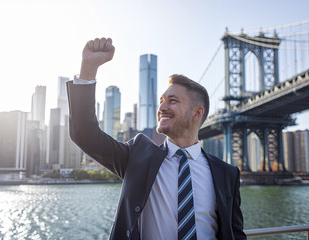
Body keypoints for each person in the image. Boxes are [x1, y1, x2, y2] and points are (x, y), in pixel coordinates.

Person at [67, 37, 246, 240]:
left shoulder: (227, 174)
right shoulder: (138, 156)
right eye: (161, 101)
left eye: (172, 101)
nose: (162, 107)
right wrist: (88, 69)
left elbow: (235, 234)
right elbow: (84, 133)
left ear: (197, 113)